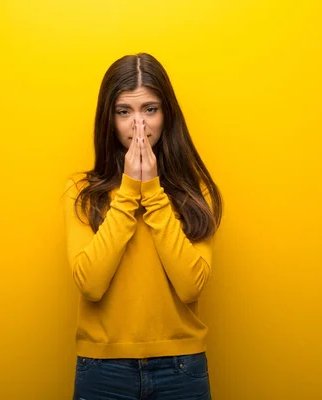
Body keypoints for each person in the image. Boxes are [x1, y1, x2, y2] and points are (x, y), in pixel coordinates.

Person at [62, 52, 223, 400]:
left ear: (167, 115)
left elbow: (191, 285)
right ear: (109, 119)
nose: (140, 126)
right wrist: (128, 191)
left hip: (181, 368)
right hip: (102, 370)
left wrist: (152, 191)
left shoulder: (198, 194)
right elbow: (90, 284)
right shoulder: (81, 194)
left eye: (150, 109)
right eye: (125, 112)